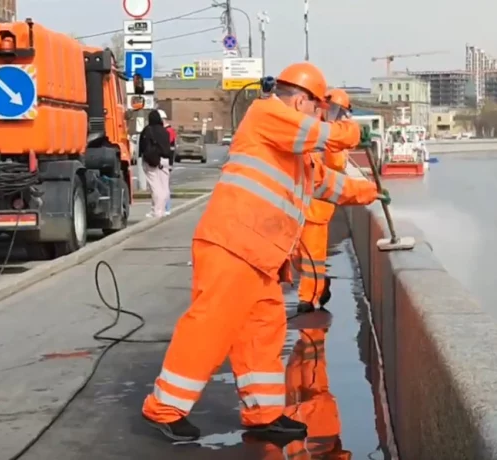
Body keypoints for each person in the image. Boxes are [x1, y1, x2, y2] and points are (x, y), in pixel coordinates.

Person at [141, 61, 390, 443]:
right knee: (210, 326)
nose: (319, 114)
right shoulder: (267, 114)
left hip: (261, 256)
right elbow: (323, 135)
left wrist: (370, 192)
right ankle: (165, 407)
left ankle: (264, 413)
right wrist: (353, 131)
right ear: (302, 100)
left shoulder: (297, 155)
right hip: (233, 243)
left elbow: (330, 184)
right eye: (317, 107)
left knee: (263, 334)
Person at [243, 326, 352, 458]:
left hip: (305, 427)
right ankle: (312, 331)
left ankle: (310, 333)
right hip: (318, 428)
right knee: (311, 374)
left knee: (298, 371)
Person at [295, 88, 352, 314]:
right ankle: (318, 286)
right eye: (331, 109)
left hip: (318, 206)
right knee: (296, 255)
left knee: (313, 257)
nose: (332, 114)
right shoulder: (313, 128)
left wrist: (335, 138)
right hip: (297, 203)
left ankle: (309, 298)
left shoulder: (333, 135)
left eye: (337, 111)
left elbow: (337, 165)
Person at [138, 110, 172, 218]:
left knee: (155, 187)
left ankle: (157, 211)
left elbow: (143, 147)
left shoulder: (147, 131)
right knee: (164, 186)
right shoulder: (165, 132)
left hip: (151, 160)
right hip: (164, 161)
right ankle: (162, 210)